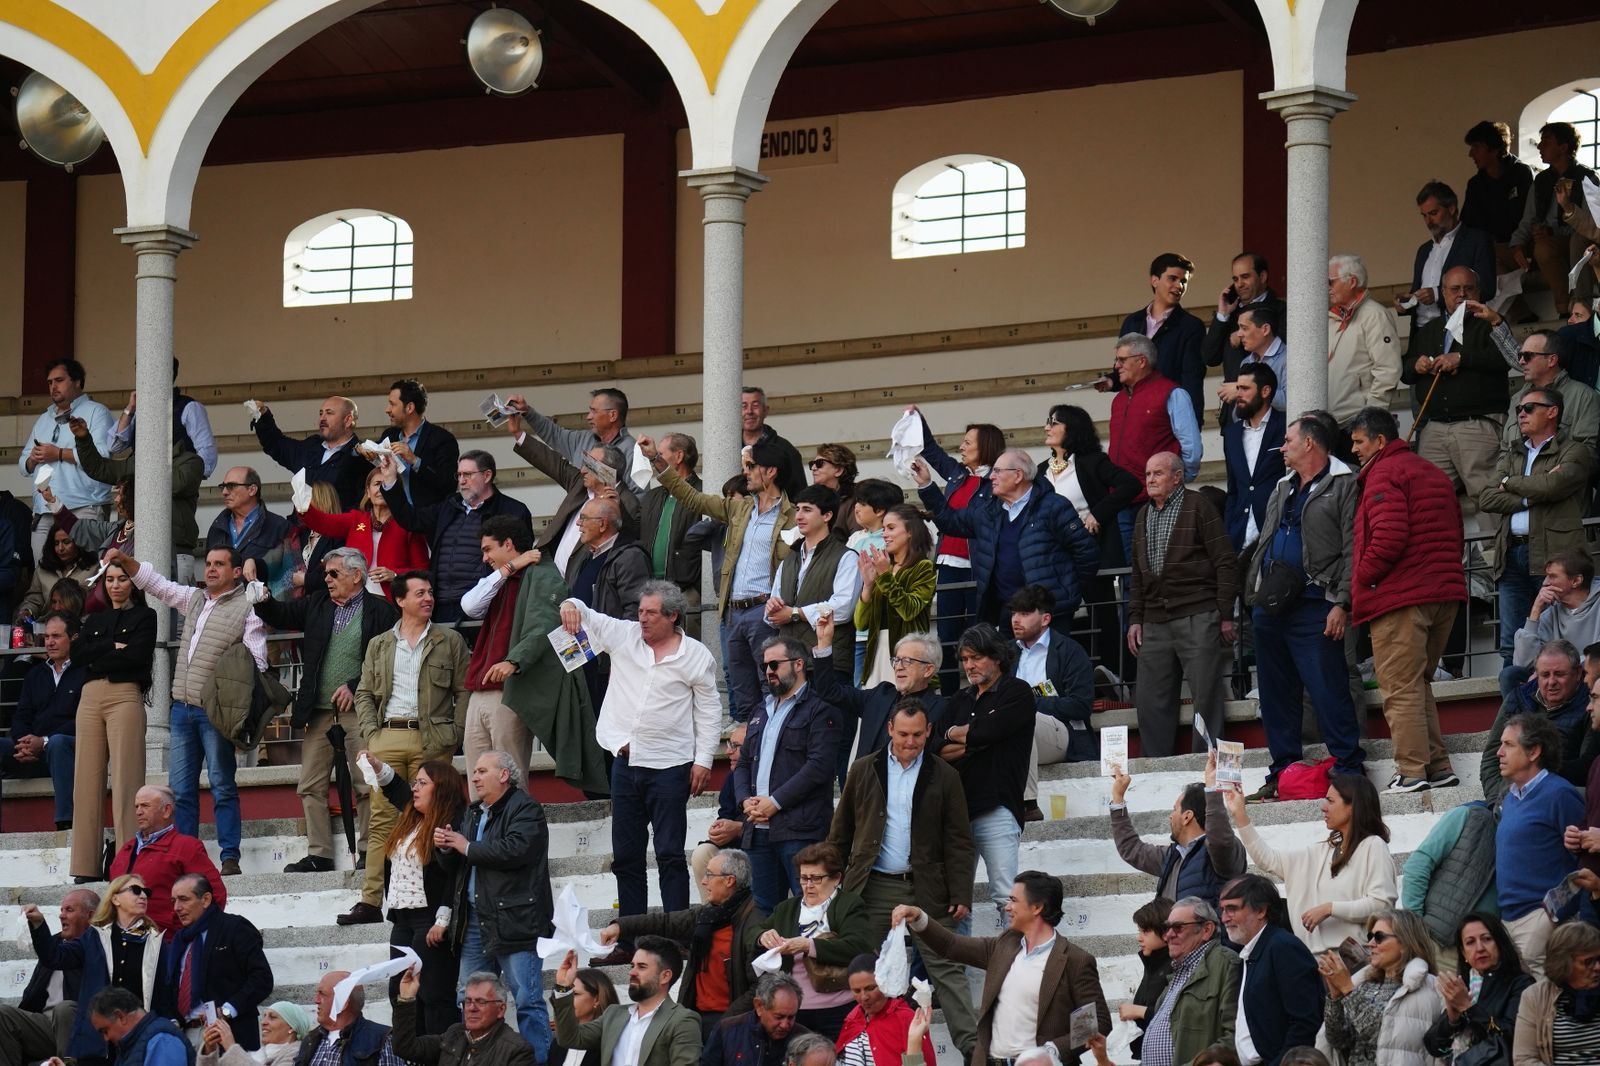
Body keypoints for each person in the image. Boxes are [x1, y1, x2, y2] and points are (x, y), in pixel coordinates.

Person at [562, 583, 720, 963]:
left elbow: (709, 710)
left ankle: (678, 939)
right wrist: (570, 603)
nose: (642, 618)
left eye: (651, 613)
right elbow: (586, 611)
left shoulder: (696, 655)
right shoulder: (625, 635)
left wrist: (704, 761)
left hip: (671, 766)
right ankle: (628, 942)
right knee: (627, 857)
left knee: (668, 855)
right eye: (641, 611)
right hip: (624, 763)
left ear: (672, 616)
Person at [826, 697, 978, 1057]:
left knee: (947, 970)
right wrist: (834, 886)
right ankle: (851, 1045)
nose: (910, 742)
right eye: (903, 734)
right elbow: (840, 832)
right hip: (873, 884)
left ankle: (974, 1051)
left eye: (918, 735)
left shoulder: (946, 774)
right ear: (890, 729)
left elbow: (959, 839)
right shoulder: (863, 770)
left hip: (928, 888)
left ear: (929, 732)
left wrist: (961, 892)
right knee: (861, 966)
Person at [113, 546, 266, 878]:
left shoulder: (248, 609)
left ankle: (229, 858)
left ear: (236, 572)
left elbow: (258, 663)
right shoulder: (196, 599)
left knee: (222, 785)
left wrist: (231, 700)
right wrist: (128, 562)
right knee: (180, 792)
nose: (210, 569)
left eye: (219, 564)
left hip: (216, 714)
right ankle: (185, 860)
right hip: (181, 710)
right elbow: (158, 585)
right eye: (208, 563)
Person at [1244, 411, 1367, 798]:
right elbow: (1265, 541)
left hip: (1318, 603)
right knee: (1276, 694)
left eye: (1289, 440)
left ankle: (1349, 769)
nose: (1282, 447)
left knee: (1327, 688)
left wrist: (1342, 603)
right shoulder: (1283, 486)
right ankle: (1282, 770)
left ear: (1309, 443)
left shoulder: (1346, 482)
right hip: (1274, 605)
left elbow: (1353, 548)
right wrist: (1255, 592)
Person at [256, 547, 398, 873]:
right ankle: (319, 855)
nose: (327, 579)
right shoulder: (318, 603)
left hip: (360, 709)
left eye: (334, 573)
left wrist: (354, 684)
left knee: (366, 784)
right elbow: (282, 615)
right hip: (319, 712)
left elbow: (386, 662)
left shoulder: (381, 611)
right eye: (326, 573)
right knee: (310, 785)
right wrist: (262, 600)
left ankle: (369, 852)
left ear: (356, 576)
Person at [1348, 406, 1465, 793]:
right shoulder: (1431, 470)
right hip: (1444, 593)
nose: (1354, 450)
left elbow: (1388, 537)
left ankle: (1412, 771)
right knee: (1418, 683)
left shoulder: (1384, 472)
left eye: (1359, 442)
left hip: (1403, 599)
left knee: (1399, 687)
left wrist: (1361, 578)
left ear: (1380, 441)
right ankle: (1438, 767)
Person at [342, 570, 469, 926]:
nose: (428, 598)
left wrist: (455, 733)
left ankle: (430, 898)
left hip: (434, 738)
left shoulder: (449, 640)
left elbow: (464, 690)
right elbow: (364, 692)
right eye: (420, 593)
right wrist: (372, 734)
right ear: (400, 600)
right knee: (382, 820)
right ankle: (370, 901)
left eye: (430, 592)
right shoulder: (380, 644)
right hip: (389, 735)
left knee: (435, 815)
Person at [641, 433, 795, 723]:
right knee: (742, 692)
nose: (745, 473)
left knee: (771, 688)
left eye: (751, 467)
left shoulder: (793, 516)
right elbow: (691, 497)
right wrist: (655, 459)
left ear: (771, 471)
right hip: (732, 612)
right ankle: (749, 755)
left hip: (766, 611)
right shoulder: (739, 508)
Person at [890, 870, 1112, 1066]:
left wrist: (1052, 1051)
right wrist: (918, 917)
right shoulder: (1004, 945)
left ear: (1037, 907)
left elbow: (1098, 1022)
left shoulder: (1075, 960)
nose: (1007, 906)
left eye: (1014, 900)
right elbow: (951, 945)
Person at [461, 516, 609, 796]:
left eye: (488, 549)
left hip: (511, 690)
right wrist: (509, 567)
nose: (484, 558)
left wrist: (514, 660)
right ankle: (479, 838)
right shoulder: (501, 578)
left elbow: (543, 625)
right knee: (477, 783)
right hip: (479, 690)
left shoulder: (541, 574)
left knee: (507, 781)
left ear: (508, 543)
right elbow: (469, 605)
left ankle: (513, 836)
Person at [433, 751, 552, 1057]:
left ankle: (538, 1062)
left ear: (503, 776)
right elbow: (459, 867)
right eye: (473, 772)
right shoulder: (473, 813)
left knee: (527, 1000)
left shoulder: (526, 808)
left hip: (516, 921)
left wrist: (466, 845)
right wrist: (447, 848)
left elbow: (515, 851)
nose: (474, 777)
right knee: (469, 999)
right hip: (474, 922)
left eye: (482, 771)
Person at [912, 446, 1098, 630]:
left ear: (1018, 476)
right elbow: (950, 522)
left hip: (1048, 613)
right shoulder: (989, 511)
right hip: (1008, 611)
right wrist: (926, 486)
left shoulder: (1053, 506)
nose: (991, 476)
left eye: (998, 471)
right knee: (1010, 660)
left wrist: (1066, 591)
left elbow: (1087, 552)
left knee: (1048, 660)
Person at [1481, 390, 1596, 688]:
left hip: (1553, 556)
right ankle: (1515, 723)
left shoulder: (1574, 450)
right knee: (1512, 645)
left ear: (1552, 411)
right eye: (1519, 408)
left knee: (1558, 642)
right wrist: (1527, 498)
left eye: (1530, 408)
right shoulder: (1513, 452)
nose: (1521, 413)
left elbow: (1554, 486)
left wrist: (1510, 484)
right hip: (1511, 554)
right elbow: (1486, 497)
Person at [1129, 450, 1239, 757]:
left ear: (1177, 477)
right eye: (1148, 474)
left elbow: (1225, 562)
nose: (1150, 479)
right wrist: (1135, 618)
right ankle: (1156, 765)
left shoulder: (1198, 505)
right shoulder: (1142, 515)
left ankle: (1208, 763)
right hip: (1153, 619)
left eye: (1158, 474)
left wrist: (1225, 613)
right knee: (1150, 699)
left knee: (1206, 695)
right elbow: (1137, 574)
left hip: (1198, 613)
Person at [1224, 774, 1396, 954]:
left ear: (1353, 806)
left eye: (1330, 801)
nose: (1323, 807)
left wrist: (1330, 908)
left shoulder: (1373, 845)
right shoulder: (1320, 851)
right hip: (1311, 963)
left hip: (1353, 962)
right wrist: (1240, 815)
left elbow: (1382, 905)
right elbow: (1267, 859)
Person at [933, 624, 1035, 923]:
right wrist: (969, 737)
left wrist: (968, 736)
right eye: (965, 659)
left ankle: (1013, 965)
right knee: (956, 898)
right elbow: (936, 747)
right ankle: (959, 969)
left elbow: (990, 731)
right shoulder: (960, 700)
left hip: (997, 807)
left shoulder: (1017, 692)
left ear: (997, 657)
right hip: (957, 811)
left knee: (1006, 896)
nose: (969, 666)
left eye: (976, 657)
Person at [602, 847, 765, 1034]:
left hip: (733, 1023)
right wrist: (620, 926)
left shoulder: (754, 922)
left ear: (729, 881)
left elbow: (760, 987)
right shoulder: (708, 915)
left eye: (710, 875)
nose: (704, 882)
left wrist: (727, 1021)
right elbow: (664, 922)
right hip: (696, 1018)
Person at [362, 751, 468, 1036]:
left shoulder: (453, 822)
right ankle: (411, 1052)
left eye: (422, 783)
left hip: (429, 919)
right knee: (400, 991)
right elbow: (395, 788)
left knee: (432, 993)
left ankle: (441, 1053)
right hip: (402, 920)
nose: (415, 788)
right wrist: (376, 765)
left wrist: (443, 918)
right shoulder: (413, 817)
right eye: (415, 782)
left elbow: (454, 876)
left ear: (441, 789)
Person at [1402, 266, 1508, 541]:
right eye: (1454, 289)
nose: (1462, 294)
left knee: (1487, 499)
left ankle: (1497, 566)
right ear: (1443, 294)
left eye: (1468, 288)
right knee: (1428, 502)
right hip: (1435, 428)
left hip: (1477, 424)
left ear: (1479, 292)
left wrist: (1461, 358)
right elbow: (1405, 371)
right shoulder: (1429, 329)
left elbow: (1507, 360)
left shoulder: (1491, 322)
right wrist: (1417, 364)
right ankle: (1441, 566)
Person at [734, 637, 840, 909]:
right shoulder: (760, 710)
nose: (768, 671)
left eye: (774, 664)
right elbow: (743, 764)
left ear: (799, 664)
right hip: (757, 831)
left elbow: (819, 767)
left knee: (812, 908)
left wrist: (775, 802)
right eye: (764, 666)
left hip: (800, 831)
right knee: (766, 912)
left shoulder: (820, 709)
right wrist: (745, 800)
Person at [907, 407, 1004, 693]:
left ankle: (983, 693)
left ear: (985, 446)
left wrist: (928, 487)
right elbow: (931, 450)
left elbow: (967, 520)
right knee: (947, 637)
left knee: (978, 637)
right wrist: (916, 419)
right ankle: (950, 697)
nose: (961, 447)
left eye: (968, 443)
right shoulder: (958, 474)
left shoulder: (996, 482)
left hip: (978, 568)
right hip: (948, 564)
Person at [377, 448, 533, 623]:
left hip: (488, 606)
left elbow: (521, 561)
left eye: (467, 474)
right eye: (458, 475)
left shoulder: (513, 511)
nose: (462, 481)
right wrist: (390, 480)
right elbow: (411, 520)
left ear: (487, 475)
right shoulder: (449, 505)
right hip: (441, 605)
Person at [70, 570, 158, 881]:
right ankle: (84, 866)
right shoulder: (94, 619)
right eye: (109, 580)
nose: (115, 585)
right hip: (91, 695)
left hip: (124, 694)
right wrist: (113, 646)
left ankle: (127, 863)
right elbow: (78, 655)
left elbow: (137, 656)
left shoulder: (146, 616)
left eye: (121, 579)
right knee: (85, 783)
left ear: (132, 582)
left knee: (126, 782)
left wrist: (104, 651)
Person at [1040, 402, 1140, 670]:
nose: (1046, 427)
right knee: (1059, 621)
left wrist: (1097, 514)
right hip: (1055, 559)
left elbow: (1130, 484)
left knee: (1103, 617)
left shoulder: (1092, 461)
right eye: (1047, 421)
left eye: (1054, 422)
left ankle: (1117, 678)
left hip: (1092, 552)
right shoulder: (1041, 471)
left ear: (1071, 428)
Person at [26, 874, 163, 1063]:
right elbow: (55, 957)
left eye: (146, 892)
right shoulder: (95, 937)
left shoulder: (155, 941)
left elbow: (166, 989)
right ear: (115, 899)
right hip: (97, 1040)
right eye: (136, 891)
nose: (143, 896)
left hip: (137, 1035)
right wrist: (39, 925)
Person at [1493, 714, 1584, 977]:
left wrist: (1551, 914)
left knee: (1550, 1004)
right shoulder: (1509, 798)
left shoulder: (1559, 793)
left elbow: (1585, 863)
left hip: (1540, 921)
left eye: (1509, 745)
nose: (1499, 752)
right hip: (1508, 921)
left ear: (1533, 751)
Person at [756, 843, 876, 1040]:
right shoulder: (787, 908)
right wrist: (763, 937)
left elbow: (858, 946)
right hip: (795, 1012)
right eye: (804, 878)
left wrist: (808, 945)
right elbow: (754, 931)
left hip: (839, 1010)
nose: (808, 885)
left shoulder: (849, 904)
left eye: (816, 878)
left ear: (836, 878)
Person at [72, 413, 204, 587]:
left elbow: (177, 484)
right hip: (135, 549)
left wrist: (148, 464)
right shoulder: (139, 462)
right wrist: (83, 439)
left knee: (177, 612)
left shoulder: (191, 461)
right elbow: (100, 469)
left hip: (177, 549)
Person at [1104, 333, 1203, 558]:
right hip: (1122, 500)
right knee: (1132, 573)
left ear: (1141, 361)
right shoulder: (1118, 399)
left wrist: (1175, 484)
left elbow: (1192, 447)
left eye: (1121, 360)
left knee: (1161, 568)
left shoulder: (1173, 394)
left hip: (1156, 500)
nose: (1116, 365)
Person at [1110, 754, 1247, 914]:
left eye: (1175, 809)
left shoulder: (1223, 852)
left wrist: (1212, 789)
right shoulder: (1172, 856)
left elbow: (1220, 841)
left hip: (1212, 939)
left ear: (1187, 816)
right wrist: (1118, 799)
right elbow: (1132, 850)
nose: (1170, 815)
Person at [155, 874, 273, 1049]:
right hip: (185, 1036)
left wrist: (227, 1010)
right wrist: (173, 1021)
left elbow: (261, 979)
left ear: (206, 900)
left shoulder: (234, 928)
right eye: (173, 901)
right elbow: (168, 988)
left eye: (183, 899)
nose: (177, 908)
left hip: (229, 1032)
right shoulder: (178, 941)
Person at [810, 617, 945, 766]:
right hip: (865, 785)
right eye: (897, 660)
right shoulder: (880, 695)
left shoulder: (940, 708)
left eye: (907, 661)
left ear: (928, 670)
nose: (899, 667)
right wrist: (824, 642)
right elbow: (829, 691)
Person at [1219, 875, 1324, 1066]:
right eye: (1223, 909)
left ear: (1261, 910)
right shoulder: (1253, 951)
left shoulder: (1282, 948)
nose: (1224, 918)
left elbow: (1305, 1023)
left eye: (1232, 908)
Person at [551, 938, 703, 1066]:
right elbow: (569, 1038)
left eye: (642, 967)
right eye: (632, 966)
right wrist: (563, 988)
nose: (632, 972)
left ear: (665, 976)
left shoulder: (682, 1020)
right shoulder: (613, 1014)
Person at [1320, 910, 1444, 1066]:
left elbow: (1385, 1037)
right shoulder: (1364, 984)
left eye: (1379, 937)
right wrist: (1335, 997)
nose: (1370, 944)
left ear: (1406, 944)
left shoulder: (1427, 987)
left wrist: (1347, 989)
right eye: (1370, 936)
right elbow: (1339, 1041)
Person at [19, 358, 115, 558]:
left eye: (59, 380)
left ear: (77, 382)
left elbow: (103, 456)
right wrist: (34, 458)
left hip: (83, 507)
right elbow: (23, 465)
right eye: (50, 382)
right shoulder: (43, 419)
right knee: (44, 575)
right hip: (44, 512)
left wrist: (58, 453)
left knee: (84, 576)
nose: (53, 386)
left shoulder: (96, 412)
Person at [1010, 585, 1097, 800]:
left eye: (1025, 613)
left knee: (1020, 720)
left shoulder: (1070, 651)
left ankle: (1028, 802)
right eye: (1014, 613)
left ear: (1045, 619)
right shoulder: (1007, 653)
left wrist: (1029, 703)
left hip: (1062, 731)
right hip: (1016, 730)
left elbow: (1081, 705)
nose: (1015, 619)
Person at [1481, 641, 1593, 806]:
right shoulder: (1518, 698)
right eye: (1545, 675)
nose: (1551, 681)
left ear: (1577, 673)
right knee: (1464, 815)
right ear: (1536, 674)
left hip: (1559, 799)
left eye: (1560, 674)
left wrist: (1535, 775)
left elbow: (1587, 768)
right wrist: (1498, 803)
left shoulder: (1591, 704)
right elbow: (1491, 758)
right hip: (1509, 797)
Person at [297, 464, 431, 601]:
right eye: (377, 484)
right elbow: (324, 523)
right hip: (355, 599)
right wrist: (303, 506)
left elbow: (422, 570)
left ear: (396, 490)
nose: (381, 489)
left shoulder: (409, 524)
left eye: (387, 484)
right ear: (367, 491)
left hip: (393, 601)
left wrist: (396, 574)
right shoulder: (356, 519)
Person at [1, 612, 84, 829]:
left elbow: (83, 719)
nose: (50, 642)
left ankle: (65, 824)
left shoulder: (86, 672)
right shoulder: (35, 674)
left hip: (70, 750)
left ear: (73, 638)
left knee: (57, 743)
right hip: (32, 752)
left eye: (56, 636)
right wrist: (24, 743)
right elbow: (21, 715)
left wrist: (44, 741)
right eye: (47, 637)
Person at [107, 785, 228, 933]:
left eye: (145, 806)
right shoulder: (126, 850)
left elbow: (215, 895)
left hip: (166, 942)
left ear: (166, 810)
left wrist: (186, 936)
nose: (138, 812)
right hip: (125, 943)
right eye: (137, 806)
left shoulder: (187, 847)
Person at [764, 486, 857, 677]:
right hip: (789, 663)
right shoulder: (789, 561)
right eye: (798, 509)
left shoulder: (846, 557)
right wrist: (772, 609)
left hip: (828, 662)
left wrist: (795, 613)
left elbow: (843, 608)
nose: (798, 516)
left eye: (807, 510)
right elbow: (772, 617)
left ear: (827, 515)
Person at [1138, 898, 1243, 1066]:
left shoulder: (1226, 964)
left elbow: (1237, 1035)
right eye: (1167, 928)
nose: (1168, 935)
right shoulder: (1177, 973)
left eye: (1178, 927)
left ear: (1206, 930)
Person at [1511, 122, 1599, 317]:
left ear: (1564, 147)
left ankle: (1581, 305)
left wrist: (1554, 231)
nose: (1540, 146)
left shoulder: (1587, 178)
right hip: (1551, 242)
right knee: (1541, 247)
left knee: (1577, 241)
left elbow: (1591, 226)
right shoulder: (1541, 181)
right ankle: (1564, 311)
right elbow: (1529, 218)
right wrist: (1517, 244)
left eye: (1546, 141)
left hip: (1580, 238)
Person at [1423, 913, 1534, 1066]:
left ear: (1500, 943)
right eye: (1470, 942)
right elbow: (1433, 1047)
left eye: (1487, 939)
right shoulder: (1465, 984)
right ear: (1463, 953)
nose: (1480, 948)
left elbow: (1511, 1038)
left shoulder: (1521, 984)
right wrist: (1452, 1020)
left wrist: (1468, 1008)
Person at [1401, 804, 1500, 973]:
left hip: (1490, 950)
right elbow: (1417, 867)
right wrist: (1417, 931)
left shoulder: (1517, 826)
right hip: (1440, 946)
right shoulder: (1468, 816)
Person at [0, 888, 94, 1066]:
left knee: (64, 1009)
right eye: (61, 910)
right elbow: (33, 991)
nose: (61, 915)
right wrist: (37, 923)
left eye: (69, 910)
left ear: (90, 916)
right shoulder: (54, 944)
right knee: (3, 1014)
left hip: (79, 1028)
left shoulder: (97, 946)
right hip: (45, 1027)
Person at [1399, 180, 1498, 335]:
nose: (1428, 221)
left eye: (1433, 213)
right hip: (1421, 332)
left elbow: (1487, 288)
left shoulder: (1476, 240)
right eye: (1424, 216)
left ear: (1451, 208)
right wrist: (1406, 304)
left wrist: (1438, 294)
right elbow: (1418, 293)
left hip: (1459, 330)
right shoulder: (1423, 250)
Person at [852, 505, 932, 688]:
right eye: (884, 528)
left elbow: (909, 610)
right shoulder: (884, 567)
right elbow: (861, 623)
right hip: (876, 653)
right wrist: (868, 585)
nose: (884, 534)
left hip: (908, 655)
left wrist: (885, 577)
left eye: (891, 528)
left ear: (910, 531)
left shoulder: (923, 567)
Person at [1120, 251, 1207, 421]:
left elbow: (1192, 378)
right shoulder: (1132, 322)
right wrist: (1110, 381)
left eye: (1183, 281)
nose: (1179, 286)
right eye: (1172, 278)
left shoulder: (1191, 326)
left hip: (1169, 416)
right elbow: (1122, 367)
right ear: (1154, 280)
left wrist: (1193, 423)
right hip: (1134, 415)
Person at [393, 967, 535, 1066]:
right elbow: (405, 1047)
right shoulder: (455, 1034)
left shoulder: (517, 1050)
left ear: (501, 1009)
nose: (472, 1008)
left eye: (481, 1002)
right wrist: (406, 999)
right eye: (468, 1001)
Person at [248, 394, 368, 509]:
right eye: (321, 413)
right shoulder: (310, 447)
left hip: (337, 528)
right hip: (301, 527)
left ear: (347, 420)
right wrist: (263, 416)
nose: (322, 418)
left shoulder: (362, 457)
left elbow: (361, 505)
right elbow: (277, 445)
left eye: (329, 413)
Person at [640, 432, 705, 639]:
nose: (654, 459)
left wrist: (695, 586)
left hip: (687, 591)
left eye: (660, 453)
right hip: (654, 591)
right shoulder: (652, 497)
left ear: (678, 457)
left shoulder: (702, 493)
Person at [1327, 256, 1405, 427]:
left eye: (1330, 281)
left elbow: (1388, 369)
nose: (1327, 288)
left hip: (1358, 423)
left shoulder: (1375, 315)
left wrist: (1371, 416)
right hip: (1331, 424)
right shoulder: (1331, 318)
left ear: (1352, 281)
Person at [110, 357, 219, 479]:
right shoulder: (138, 408)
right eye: (139, 372)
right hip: (140, 485)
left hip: (176, 488)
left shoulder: (189, 407)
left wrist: (183, 480)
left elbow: (207, 453)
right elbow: (114, 446)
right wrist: (130, 408)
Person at [1205, 253, 1280, 427]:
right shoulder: (1230, 315)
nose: (1239, 284)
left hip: (1272, 415)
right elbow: (1210, 357)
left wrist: (1248, 332)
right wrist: (1222, 315)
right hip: (1235, 415)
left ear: (1262, 276)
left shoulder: (1281, 311)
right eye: (1235, 278)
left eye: (1245, 277)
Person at [1510, 921, 1600, 1066]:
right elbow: (1524, 1059)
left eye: (1599, 959)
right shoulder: (1535, 997)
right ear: (1564, 963)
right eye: (1588, 961)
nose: (1597, 967)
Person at [1498, 331, 1600, 452]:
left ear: (1551, 360)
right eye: (1520, 356)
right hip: (1516, 471)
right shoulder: (1517, 398)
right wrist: (1503, 471)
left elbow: (1587, 452)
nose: (1521, 362)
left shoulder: (1584, 397)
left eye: (1528, 356)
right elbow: (1504, 450)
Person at [1221, 362, 1286, 552]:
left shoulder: (1286, 426)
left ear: (1265, 391)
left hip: (1275, 534)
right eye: (1237, 388)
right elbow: (1233, 490)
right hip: (1239, 536)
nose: (1238, 394)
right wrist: (1229, 530)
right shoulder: (1231, 434)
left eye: (1245, 388)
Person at [835, 954, 936, 1066]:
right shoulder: (852, 1020)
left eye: (870, 988)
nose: (864, 997)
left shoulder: (907, 1020)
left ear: (885, 982)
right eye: (857, 991)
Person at [378, 377, 461, 508]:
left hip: (427, 521)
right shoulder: (389, 435)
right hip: (393, 517)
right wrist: (361, 450)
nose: (387, 409)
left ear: (410, 407)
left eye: (392, 404)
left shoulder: (443, 439)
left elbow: (449, 485)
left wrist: (415, 461)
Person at [507, 387, 637, 470]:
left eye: (594, 411)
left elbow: (638, 499)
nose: (588, 417)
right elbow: (554, 434)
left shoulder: (632, 450)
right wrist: (526, 411)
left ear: (613, 415)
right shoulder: (582, 439)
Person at [293, 971, 403, 1066]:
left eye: (322, 994)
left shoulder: (383, 1040)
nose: (316, 1000)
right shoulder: (310, 1039)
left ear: (342, 1003)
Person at [702, 973, 810, 1066]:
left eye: (791, 1017)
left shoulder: (805, 1040)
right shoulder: (727, 1030)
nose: (785, 1025)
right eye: (779, 1017)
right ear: (759, 1006)